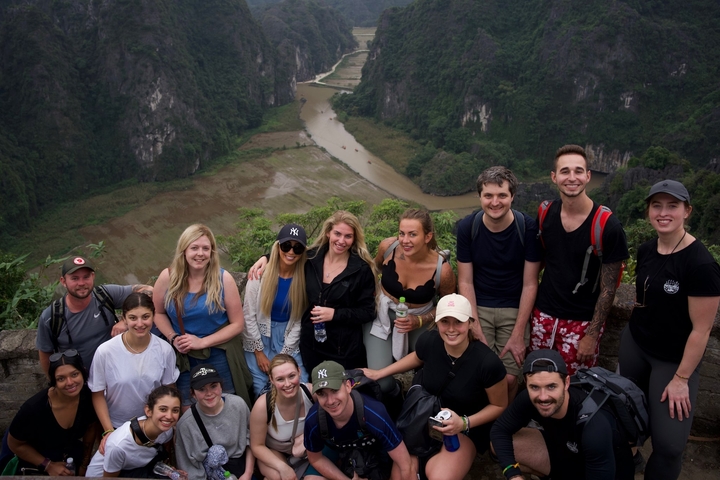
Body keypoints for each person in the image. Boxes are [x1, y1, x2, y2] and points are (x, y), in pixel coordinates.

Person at [618, 179, 720, 480]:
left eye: (672, 206)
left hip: (673, 361)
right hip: (636, 343)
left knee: (670, 444)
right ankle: (628, 461)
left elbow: (701, 331)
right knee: (623, 419)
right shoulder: (648, 249)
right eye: (657, 206)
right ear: (649, 210)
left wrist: (681, 379)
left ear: (687, 211)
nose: (664, 213)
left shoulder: (701, 264)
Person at [363, 294, 507, 480]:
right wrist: (380, 373)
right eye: (445, 321)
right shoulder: (431, 340)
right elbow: (417, 357)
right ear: (437, 322)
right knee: (402, 475)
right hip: (423, 417)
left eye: (459, 322)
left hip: (464, 428)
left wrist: (464, 423)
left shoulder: (487, 363)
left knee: (439, 476)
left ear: (471, 323)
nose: (451, 329)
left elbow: (499, 406)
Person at [531, 145, 629, 374]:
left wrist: (592, 334)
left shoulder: (607, 226)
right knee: (537, 381)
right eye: (565, 171)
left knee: (575, 386)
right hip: (542, 317)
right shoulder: (546, 213)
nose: (571, 178)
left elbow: (609, 288)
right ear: (554, 177)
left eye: (578, 171)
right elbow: (538, 263)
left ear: (588, 176)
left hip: (581, 323)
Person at [249, 211, 377, 373]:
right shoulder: (311, 259)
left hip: (343, 349)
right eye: (337, 233)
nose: (341, 241)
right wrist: (265, 257)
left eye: (348, 236)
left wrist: (335, 314)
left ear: (354, 239)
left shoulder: (360, 269)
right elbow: (289, 253)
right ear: (328, 233)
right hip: (310, 345)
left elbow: (368, 311)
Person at [456, 166, 541, 400]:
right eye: (488, 196)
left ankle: (502, 425)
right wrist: (474, 325)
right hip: (479, 306)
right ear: (480, 197)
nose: (495, 202)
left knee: (510, 377)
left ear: (512, 196)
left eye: (502, 195)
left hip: (514, 308)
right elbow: (465, 281)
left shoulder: (527, 228)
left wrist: (517, 333)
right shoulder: (468, 228)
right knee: (480, 371)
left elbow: (530, 283)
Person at [490, 349, 634, 480]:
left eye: (551, 386)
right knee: (498, 446)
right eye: (534, 387)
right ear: (527, 383)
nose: (543, 397)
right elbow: (500, 430)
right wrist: (513, 474)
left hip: (604, 472)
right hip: (568, 452)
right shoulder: (529, 398)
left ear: (566, 383)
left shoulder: (594, 425)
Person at [153, 224, 251, 407]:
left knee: (225, 404)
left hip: (218, 353)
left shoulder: (223, 279)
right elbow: (158, 313)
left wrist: (202, 342)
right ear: (184, 250)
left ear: (212, 252)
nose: (200, 253)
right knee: (188, 407)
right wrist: (173, 337)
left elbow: (237, 324)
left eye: (206, 248)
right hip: (184, 357)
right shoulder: (168, 277)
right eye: (194, 248)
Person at [366, 208, 456, 394]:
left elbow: (446, 307)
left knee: (435, 367)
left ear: (427, 236)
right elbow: (374, 270)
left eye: (413, 234)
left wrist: (419, 320)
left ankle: (418, 395)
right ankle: (396, 391)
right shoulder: (388, 248)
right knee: (381, 384)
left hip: (419, 318)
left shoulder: (442, 270)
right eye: (402, 233)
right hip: (382, 314)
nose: (405, 241)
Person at [89, 292, 179, 451]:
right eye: (133, 318)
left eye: (145, 317)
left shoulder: (164, 350)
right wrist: (108, 431)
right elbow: (97, 394)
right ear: (124, 318)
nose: (140, 323)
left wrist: (169, 422)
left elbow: (169, 390)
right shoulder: (106, 352)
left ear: (153, 316)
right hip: (118, 425)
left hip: (153, 426)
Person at [35, 255, 153, 374]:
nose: (81, 283)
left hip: (116, 373)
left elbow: (149, 290)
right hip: (79, 382)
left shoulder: (104, 295)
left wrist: (125, 321)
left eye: (86, 277)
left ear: (93, 276)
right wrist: (54, 383)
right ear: (63, 281)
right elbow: (45, 352)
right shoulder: (52, 316)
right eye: (75, 278)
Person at [304, 360, 415, 480]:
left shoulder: (375, 414)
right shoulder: (313, 420)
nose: (330, 401)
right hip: (339, 449)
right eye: (322, 394)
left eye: (335, 390)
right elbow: (315, 458)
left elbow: (406, 465)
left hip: (376, 450)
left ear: (348, 386)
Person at [243, 224, 309, 398]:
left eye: (298, 247)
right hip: (259, 336)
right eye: (286, 246)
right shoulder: (260, 275)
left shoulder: (304, 278)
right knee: (262, 389)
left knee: (299, 385)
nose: (291, 252)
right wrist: (258, 352)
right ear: (278, 246)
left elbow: (298, 320)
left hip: (288, 337)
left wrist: (285, 354)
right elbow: (249, 315)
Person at [7, 350, 97, 476]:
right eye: (61, 378)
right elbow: (14, 444)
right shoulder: (34, 408)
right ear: (53, 381)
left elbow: (91, 427)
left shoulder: (88, 398)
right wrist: (48, 465)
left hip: (71, 459)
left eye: (74, 374)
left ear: (83, 372)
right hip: (38, 464)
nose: (70, 382)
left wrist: (84, 463)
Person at [175, 363, 255, 480]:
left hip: (241, 471)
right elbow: (189, 467)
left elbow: (251, 441)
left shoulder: (238, 405)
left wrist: (248, 473)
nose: (209, 393)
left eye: (213, 386)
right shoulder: (185, 425)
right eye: (202, 389)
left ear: (221, 386)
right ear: (193, 394)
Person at [85, 385, 184, 478]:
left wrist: (170, 472)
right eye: (163, 409)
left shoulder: (167, 431)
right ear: (148, 411)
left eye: (175, 410)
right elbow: (109, 478)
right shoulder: (119, 445)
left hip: (135, 469)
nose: (169, 416)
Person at [249, 354, 317, 480]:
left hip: (307, 450)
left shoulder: (312, 393)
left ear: (299, 371)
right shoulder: (262, 406)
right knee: (279, 476)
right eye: (280, 379)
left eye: (292, 376)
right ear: (271, 379)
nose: (287, 384)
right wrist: (283, 467)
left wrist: (304, 438)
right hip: (275, 452)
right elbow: (257, 446)